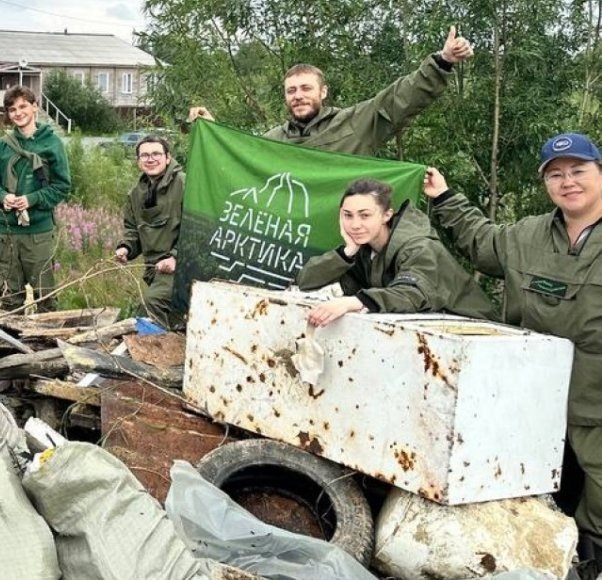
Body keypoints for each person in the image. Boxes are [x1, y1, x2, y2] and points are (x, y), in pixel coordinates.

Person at [422, 134, 602, 565]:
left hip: (595, 401)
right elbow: (481, 242)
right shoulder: (528, 235)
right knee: (525, 487)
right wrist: (445, 197)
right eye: (555, 174)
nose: (568, 182)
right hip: (530, 397)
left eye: (578, 171)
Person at [188, 26, 474, 156]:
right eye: (291, 91)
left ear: (323, 92)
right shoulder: (274, 140)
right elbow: (240, 154)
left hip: (344, 247)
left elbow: (401, 97)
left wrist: (442, 61)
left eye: (305, 88)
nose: (297, 95)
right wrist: (212, 130)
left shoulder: (353, 124)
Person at [296, 178, 495, 326]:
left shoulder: (419, 248)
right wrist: (347, 251)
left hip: (477, 334)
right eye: (348, 216)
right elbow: (306, 281)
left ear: (386, 215)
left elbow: (411, 294)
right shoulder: (364, 252)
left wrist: (354, 302)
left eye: (365, 215)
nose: (355, 224)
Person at [0, 85, 71, 313]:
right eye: (12, 109)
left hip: (38, 233)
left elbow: (62, 186)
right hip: (7, 232)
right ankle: (11, 347)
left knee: (46, 299)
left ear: (35, 107)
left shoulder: (52, 144)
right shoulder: (3, 146)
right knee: (10, 299)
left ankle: (47, 346)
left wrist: (31, 199)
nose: (18, 113)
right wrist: (3, 196)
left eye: (23, 106)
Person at [114, 136, 185, 328]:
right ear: (138, 161)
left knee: (151, 304)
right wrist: (125, 248)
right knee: (177, 321)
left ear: (168, 157)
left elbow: (196, 229)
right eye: (144, 155)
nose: (150, 159)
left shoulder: (184, 184)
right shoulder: (136, 194)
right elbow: (132, 230)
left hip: (182, 269)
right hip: (154, 270)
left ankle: (156, 354)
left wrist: (175, 258)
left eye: (156, 154)